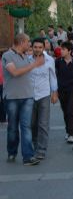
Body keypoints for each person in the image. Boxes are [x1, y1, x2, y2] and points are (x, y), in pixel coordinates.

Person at [3, 33, 45, 165]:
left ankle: (28, 156)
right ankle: (12, 151)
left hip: (27, 96)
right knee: (13, 127)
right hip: (12, 97)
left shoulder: (26, 56)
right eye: (28, 42)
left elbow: (31, 70)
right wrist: (34, 65)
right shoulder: (7, 55)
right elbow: (14, 72)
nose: (29, 45)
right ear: (21, 42)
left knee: (26, 127)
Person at [30, 38, 59, 160]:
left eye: (39, 47)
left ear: (43, 48)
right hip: (30, 96)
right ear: (32, 47)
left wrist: (54, 92)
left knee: (43, 123)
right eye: (35, 47)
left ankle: (41, 149)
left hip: (44, 94)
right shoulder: (27, 60)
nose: (37, 49)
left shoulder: (49, 60)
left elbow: (53, 77)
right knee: (32, 124)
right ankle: (35, 144)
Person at [55, 41, 73, 144]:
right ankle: (68, 130)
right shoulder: (58, 61)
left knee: (71, 111)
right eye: (61, 49)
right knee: (65, 111)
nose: (61, 51)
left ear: (69, 51)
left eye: (64, 49)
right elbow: (55, 74)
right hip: (61, 90)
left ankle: (72, 134)